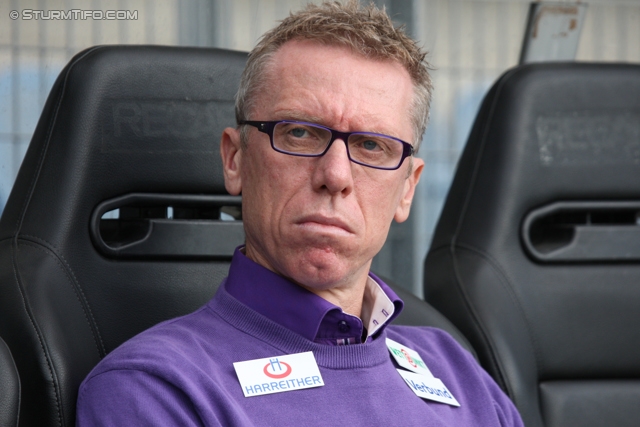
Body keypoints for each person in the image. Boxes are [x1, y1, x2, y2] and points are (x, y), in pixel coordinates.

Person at [76, 2, 524, 426]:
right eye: (300, 133)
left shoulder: (456, 370)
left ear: (407, 188)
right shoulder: (157, 388)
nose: (336, 175)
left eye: (372, 145)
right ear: (235, 160)